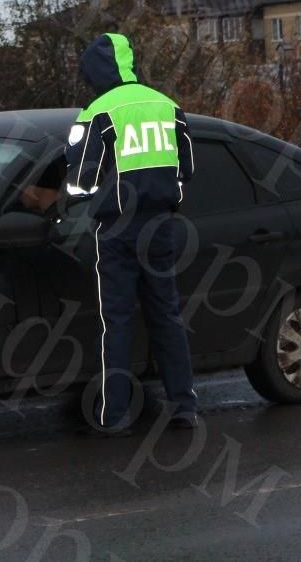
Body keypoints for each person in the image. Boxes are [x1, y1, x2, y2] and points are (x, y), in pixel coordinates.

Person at [64, 32, 199, 435]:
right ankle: (183, 406)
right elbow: (187, 168)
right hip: (161, 226)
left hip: (118, 230)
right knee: (167, 316)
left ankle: (115, 413)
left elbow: (79, 182)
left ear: (96, 72)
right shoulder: (167, 106)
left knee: (117, 321)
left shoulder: (98, 111)